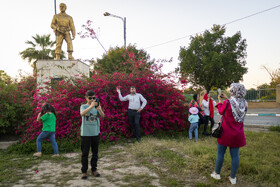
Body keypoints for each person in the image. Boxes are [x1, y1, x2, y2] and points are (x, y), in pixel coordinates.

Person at [210, 83, 248, 185]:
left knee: (220, 153)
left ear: (233, 91)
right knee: (235, 155)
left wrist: (220, 101)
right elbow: (234, 104)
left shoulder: (227, 102)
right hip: (238, 134)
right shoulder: (244, 103)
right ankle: (233, 178)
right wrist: (227, 99)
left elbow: (222, 111)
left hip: (225, 133)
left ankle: (217, 174)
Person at [80, 90, 105, 179]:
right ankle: (84, 171)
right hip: (86, 134)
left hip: (95, 133)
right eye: (90, 98)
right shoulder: (83, 106)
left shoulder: (97, 106)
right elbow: (82, 114)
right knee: (85, 153)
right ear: (86, 98)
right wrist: (91, 106)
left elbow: (102, 116)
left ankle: (94, 170)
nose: (92, 99)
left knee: (95, 153)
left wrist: (100, 109)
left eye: (93, 98)